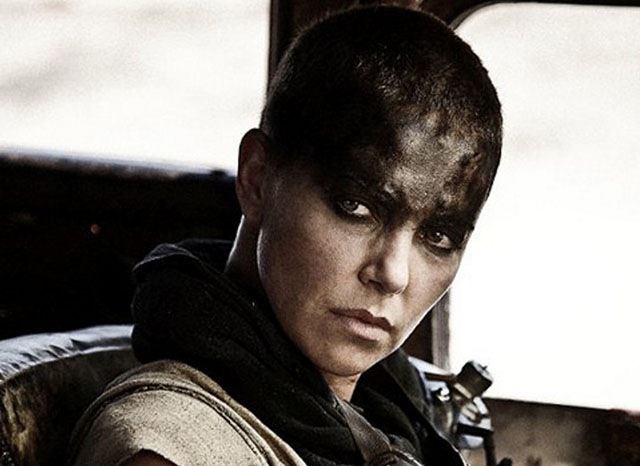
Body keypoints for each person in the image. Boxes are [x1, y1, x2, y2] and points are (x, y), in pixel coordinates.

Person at [69, 5, 502, 466]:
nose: (393, 274)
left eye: (438, 237)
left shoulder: (391, 414)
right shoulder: (171, 447)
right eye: (355, 207)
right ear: (257, 179)